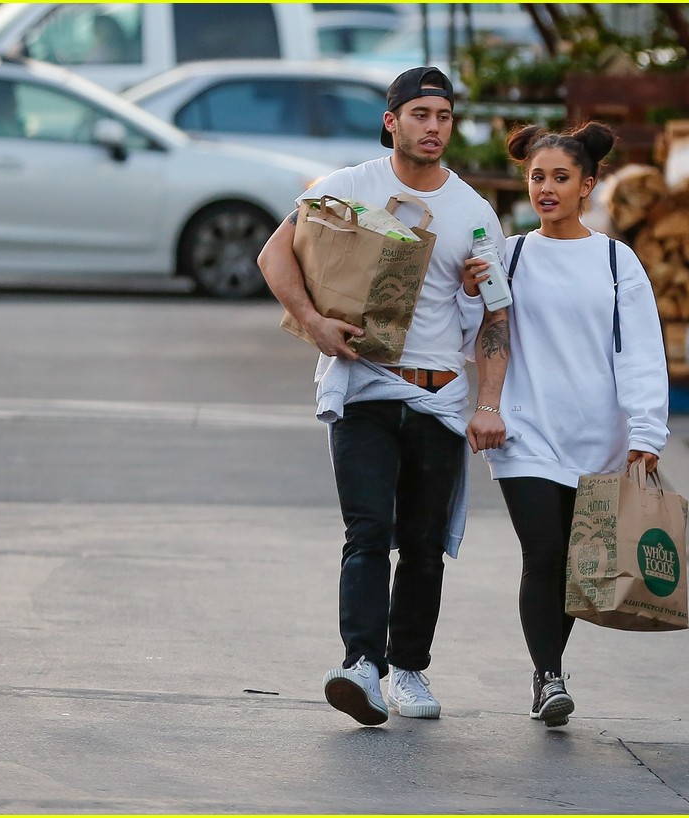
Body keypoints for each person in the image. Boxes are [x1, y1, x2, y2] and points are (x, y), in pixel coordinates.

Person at [256, 66, 509, 727]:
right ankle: (360, 666)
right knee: (368, 532)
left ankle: (409, 669)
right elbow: (273, 255)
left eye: (444, 116)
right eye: (420, 114)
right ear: (392, 121)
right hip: (364, 387)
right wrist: (312, 322)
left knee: (424, 544)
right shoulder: (345, 188)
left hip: (438, 397)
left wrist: (488, 403)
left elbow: (496, 318)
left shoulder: (474, 213)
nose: (433, 127)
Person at [468, 122, 669, 727]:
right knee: (544, 551)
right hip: (525, 432)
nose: (547, 189)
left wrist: (646, 433)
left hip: (598, 437)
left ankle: (548, 672)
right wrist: (469, 294)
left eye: (560, 177)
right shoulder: (511, 255)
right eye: (537, 177)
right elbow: (478, 331)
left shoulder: (615, 259)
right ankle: (549, 677)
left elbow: (640, 350)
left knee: (576, 566)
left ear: (587, 185)